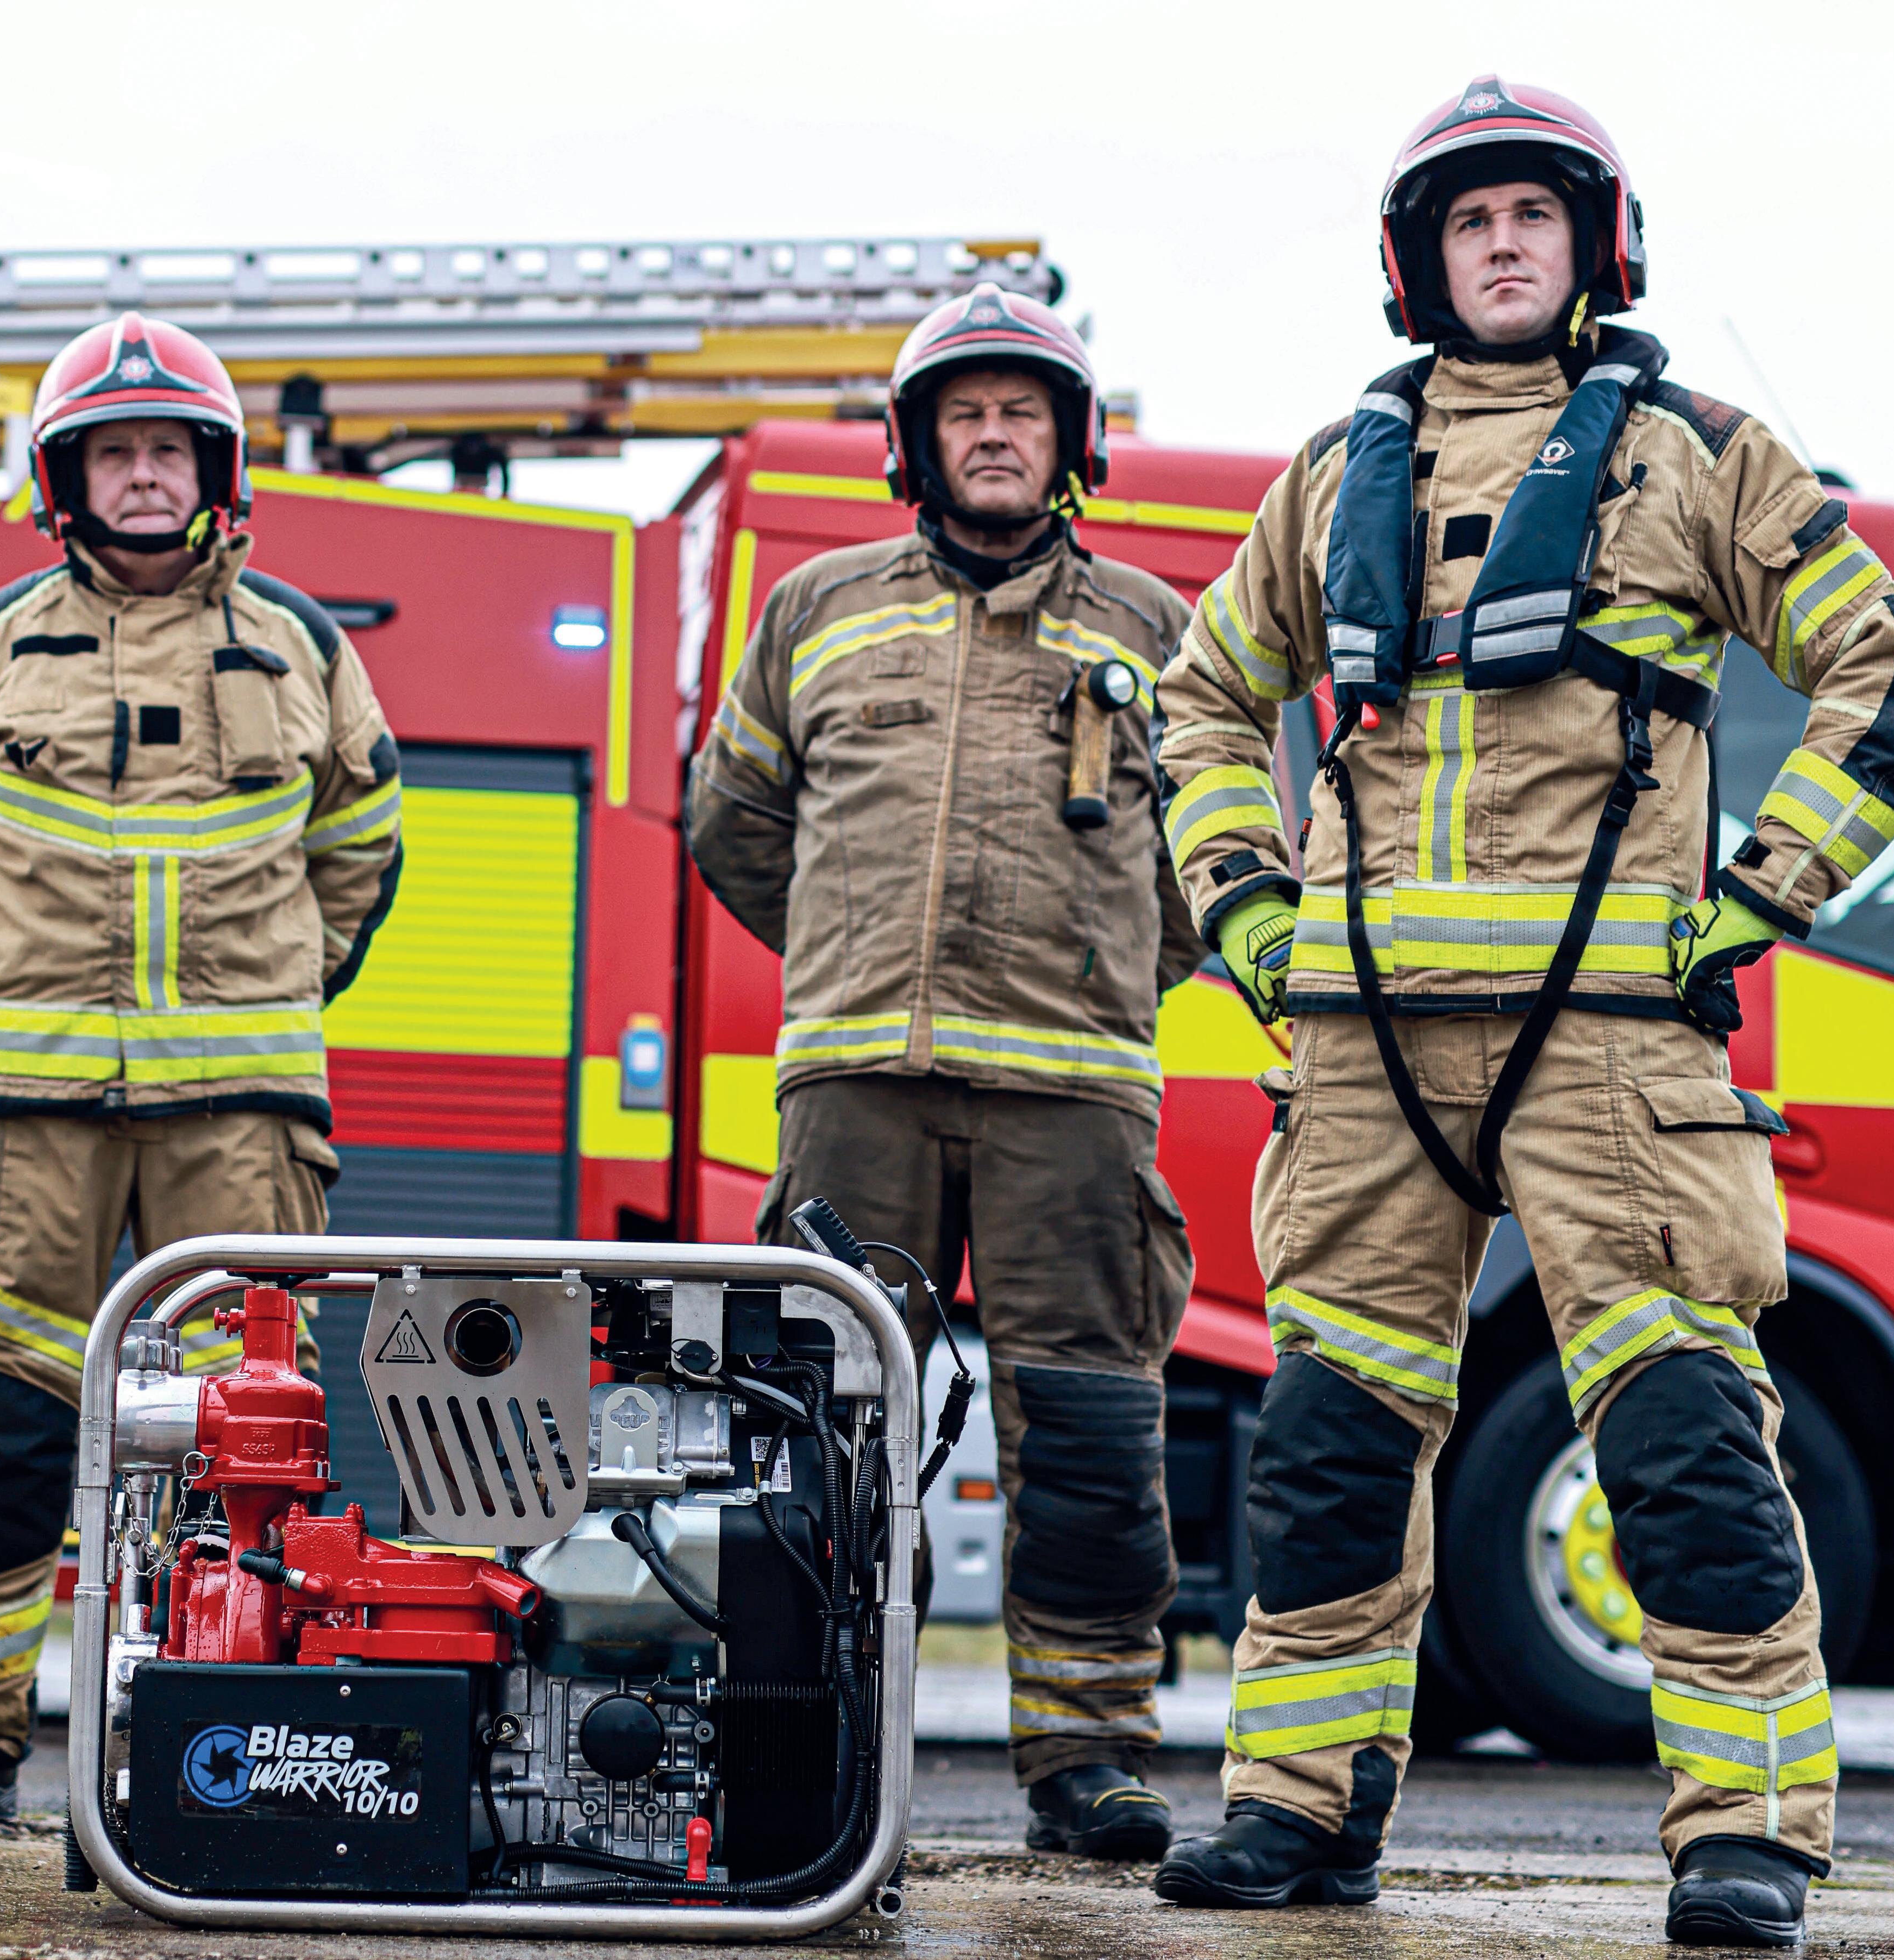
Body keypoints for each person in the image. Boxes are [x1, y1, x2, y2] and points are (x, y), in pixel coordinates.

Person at [1149, 78, 1894, 1948]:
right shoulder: (1332, 477)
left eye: (1533, 215)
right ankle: (1296, 1809)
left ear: (1597, 246)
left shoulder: (1701, 460)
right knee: (1333, 1455)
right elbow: (1201, 699)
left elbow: (1892, 668)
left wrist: (1760, 897)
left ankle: (1747, 1838)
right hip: (1363, 1049)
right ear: (1417, 262)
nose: (1502, 243)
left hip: (1610, 1046)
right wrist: (1249, 912)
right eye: (1470, 220)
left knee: (1681, 1443)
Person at [688, 282, 1205, 1861]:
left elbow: (1219, 858)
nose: (994, 435)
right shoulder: (816, 607)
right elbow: (733, 822)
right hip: (858, 1083)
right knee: (816, 1423)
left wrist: (1108, 977)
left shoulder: (1158, 632)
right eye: (966, 412)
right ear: (917, 445)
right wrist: (847, 952)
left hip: (1075, 1094)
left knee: (1092, 1433)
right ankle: (812, 1752)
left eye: (1021, 412)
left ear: (1073, 444)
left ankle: (1089, 1754)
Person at [0, 314, 402, 1821]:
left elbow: (361, 849)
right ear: (64, 479)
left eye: (167, 450)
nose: (141, 475)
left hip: (239, 1116)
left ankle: (235, 1734)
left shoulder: (304, 647)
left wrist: (273, 992)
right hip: (25, 1108)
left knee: (251, 1439)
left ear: (215, 472)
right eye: (112, 451)